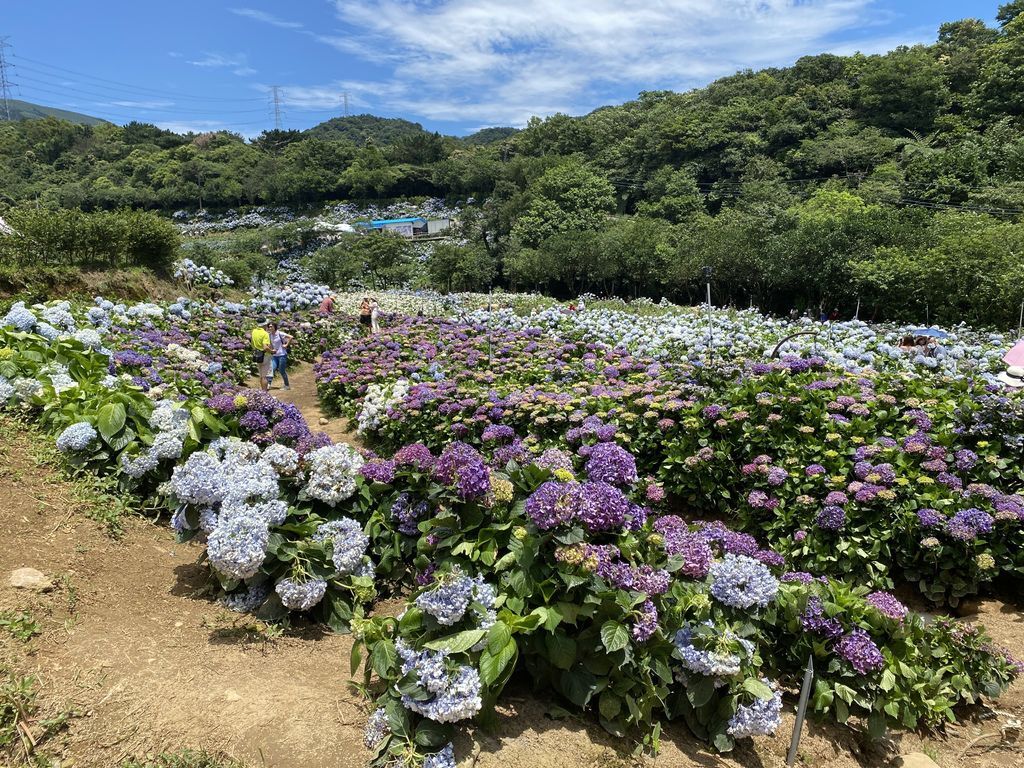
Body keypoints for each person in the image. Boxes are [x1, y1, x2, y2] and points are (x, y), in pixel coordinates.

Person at [268, 321, 293, 390]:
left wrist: (286, 345)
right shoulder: (269, 335)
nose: (270, 328)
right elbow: (271, 344)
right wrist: (271, 349)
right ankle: (268, 384)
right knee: (272, 369)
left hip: (282, 354)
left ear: (274, 327)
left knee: (282, 370)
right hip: (274, 355)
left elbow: (291, 337)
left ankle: (287, 385)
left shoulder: (280, 333)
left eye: (271, 326)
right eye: (269, 326)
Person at [250, 318, 273, 392]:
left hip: (257, 355)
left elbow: (252, 344)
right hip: (265, 355)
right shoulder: (265, 333)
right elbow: (265, 347)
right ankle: (264, 393)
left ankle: (262, 392)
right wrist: (272, 351)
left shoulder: (254, 331)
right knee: (264, 376)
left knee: (261, 376)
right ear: (265, 324)